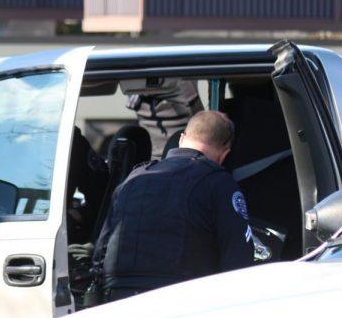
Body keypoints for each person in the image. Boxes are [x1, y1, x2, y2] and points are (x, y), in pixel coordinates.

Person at [92, 110, 256, 302]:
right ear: (225, 154)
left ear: (181, 139)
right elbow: (238, 260)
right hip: (180, 303)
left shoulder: (134, 178)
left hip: (120, 299)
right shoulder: (219, 183)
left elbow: (100, 251)